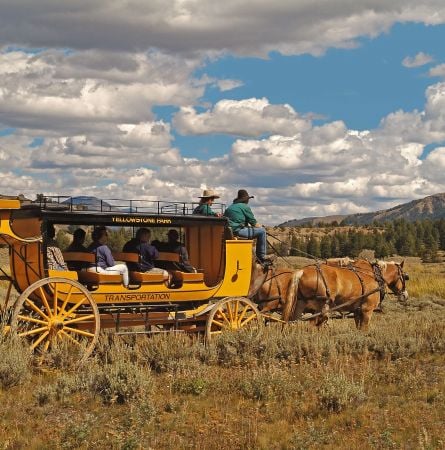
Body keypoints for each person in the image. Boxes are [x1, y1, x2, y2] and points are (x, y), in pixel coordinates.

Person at [223, 189, 271, 263]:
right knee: (262, 232)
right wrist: (262, 227)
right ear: (246, 200)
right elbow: (254, 223)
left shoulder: (230, 207)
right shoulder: (244, 207)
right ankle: (262, 257)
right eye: (248, 199)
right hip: (238, 232)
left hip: (229, 232)